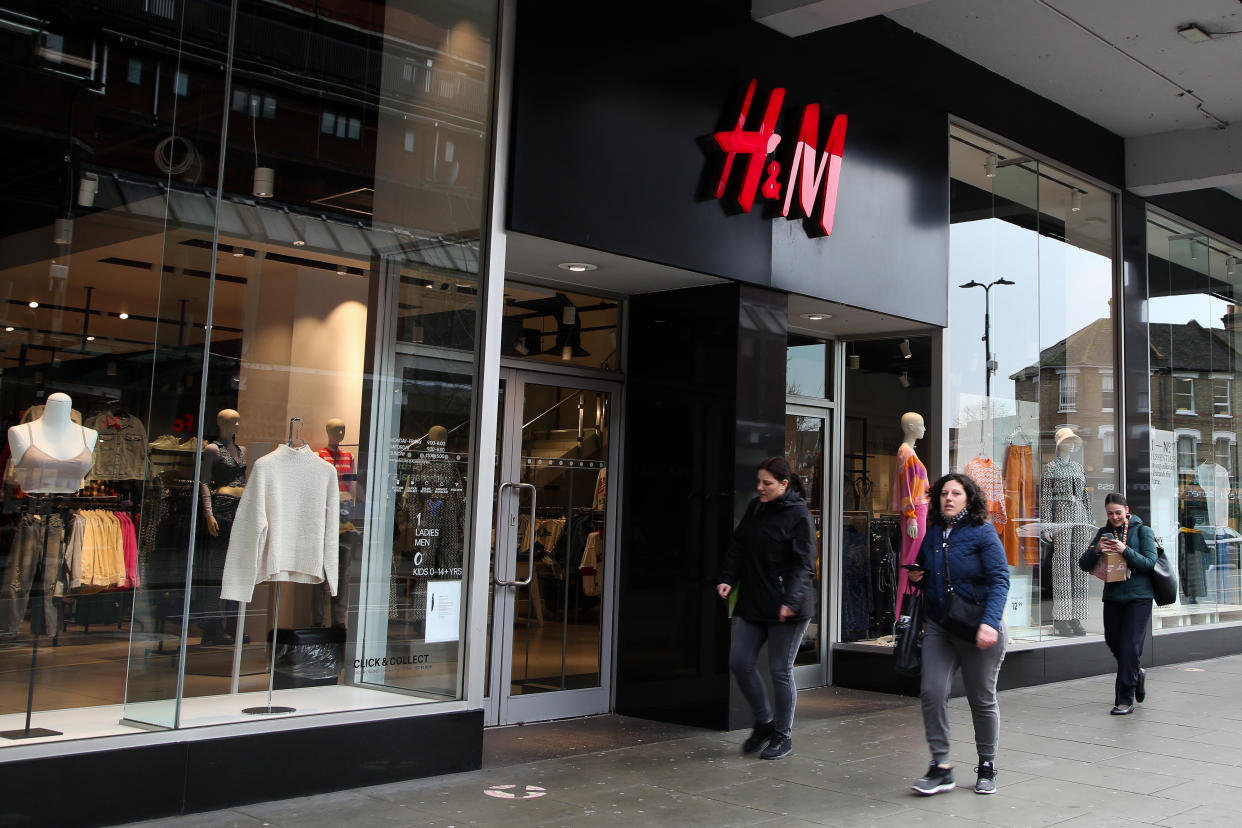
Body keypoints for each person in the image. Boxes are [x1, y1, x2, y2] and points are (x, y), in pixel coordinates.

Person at [908, 473, 1010, 796]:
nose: (948, 498)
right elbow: (928, 575)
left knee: (981, 698)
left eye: (956, 493)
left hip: (978, 626)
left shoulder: (983, 532)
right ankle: (941, 766)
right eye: (944, 494)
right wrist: (918, 577)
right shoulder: (934, 533)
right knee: (932, 691)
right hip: (940, 624)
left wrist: (990, 623)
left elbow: (1000, 579)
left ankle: (987, 764)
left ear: (969, 499)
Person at [716, 457, 817, 761]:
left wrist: (789, 600)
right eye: (758, 481)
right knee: (739, 661)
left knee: (779, 670)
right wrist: (727, 578)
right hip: (755, 600)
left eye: (767, 483)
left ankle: (782, 736)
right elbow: (738, 545)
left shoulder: (799, 515)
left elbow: (804, 564)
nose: (759, 487)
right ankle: (764, 722)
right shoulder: (756, 507)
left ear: (784, 485)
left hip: (789, 607)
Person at [1078, 492, 1157, 715]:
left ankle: (1124, 699)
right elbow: (1084, 564)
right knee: (1113, 641)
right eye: (1110, 513)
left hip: (1139, 598)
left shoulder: (1143, 531)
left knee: (1129, 647)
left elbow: (1149, 564)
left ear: (1127, 510)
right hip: (1113, 597)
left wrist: (1125, 550)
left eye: (1118, 513)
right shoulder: (1103, 533)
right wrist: (1097, 550)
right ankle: (1136, 672)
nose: (1115, 517)